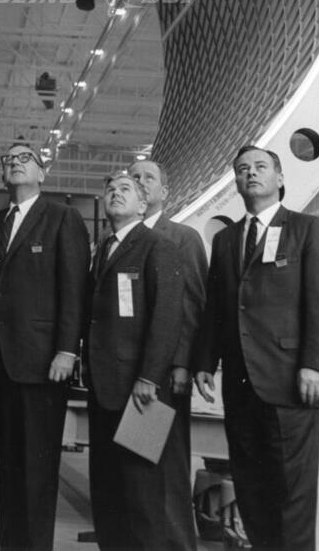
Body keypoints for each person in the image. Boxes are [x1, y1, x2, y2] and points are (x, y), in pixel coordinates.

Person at [194, 145, 319, 551]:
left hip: (289, 381)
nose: (251, 173)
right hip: (240, 386)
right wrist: (205, 360)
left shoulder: (307, 229)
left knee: (291, 493)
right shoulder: (226, 240)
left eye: (260, 166)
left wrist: (315, 364)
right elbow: (216, 307)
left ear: (279, 178)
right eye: (243, 169)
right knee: (251, 489)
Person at [0, 144, 89, 550]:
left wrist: (67, 349)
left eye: (25, 159)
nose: (15, 163)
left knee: (38, 470)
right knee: (8, 466)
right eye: (9, 160)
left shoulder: (62, 217)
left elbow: (74, 289)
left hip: (44, 363)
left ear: (42, 173)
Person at [82, 171, 193, 550]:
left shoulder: (158, 246)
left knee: (143, 491)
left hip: (143, 392)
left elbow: (167, 317)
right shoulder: (104, 249)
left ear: (143, 204)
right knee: (108, 490)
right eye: (110, 189)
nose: (115, 193)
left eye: (125, 189)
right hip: (104, 388)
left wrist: (149, 377)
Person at [129, 160, 208, 477]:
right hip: (125, 366)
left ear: (164, 192)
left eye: (149, 177)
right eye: (134, 177)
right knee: (134, 458)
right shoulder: (117, 238)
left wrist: (182, 362)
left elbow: (192, 304)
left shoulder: (182, 237)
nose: (140, 181)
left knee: (162, 459)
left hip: (164, 369)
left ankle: (171, 513)